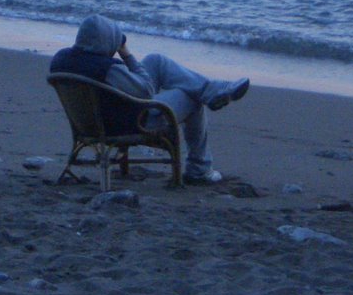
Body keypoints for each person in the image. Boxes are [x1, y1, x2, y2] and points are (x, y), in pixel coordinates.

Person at [49, 14, 249, 184]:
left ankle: (213, 91)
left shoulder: (61, 59)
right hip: (135, 122)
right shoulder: (107, 68)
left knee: (156, 61)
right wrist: (126, 54)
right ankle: (199, 168)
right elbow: (146, 91)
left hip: (92, 121)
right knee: (191, 95)